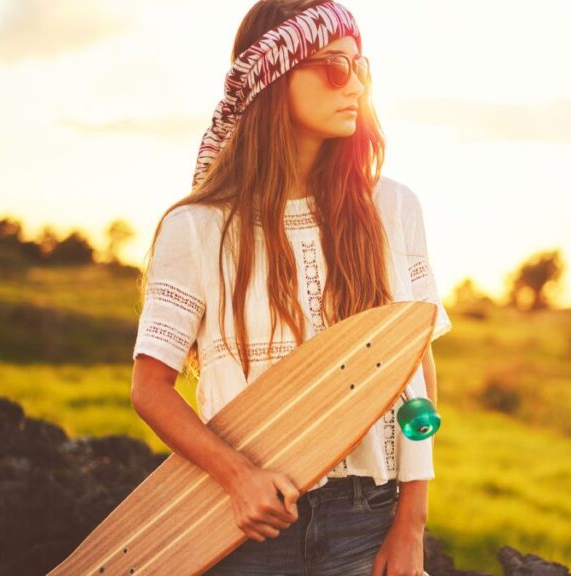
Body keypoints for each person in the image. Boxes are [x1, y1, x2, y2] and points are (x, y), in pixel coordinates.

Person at [128, 1, 451, 575]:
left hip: (368, 517)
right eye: (332, 66)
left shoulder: (391, 208)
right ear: (271, 77)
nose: (353, 84)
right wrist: (238, 479)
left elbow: (416, 369)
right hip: (241, 525)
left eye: (361, 67)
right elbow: (150, 388)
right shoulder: (198, 227)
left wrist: (411, 524)